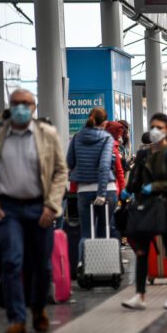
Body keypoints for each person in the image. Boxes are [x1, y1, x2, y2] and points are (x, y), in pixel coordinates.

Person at [0, 89, 68, 333]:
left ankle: (37, 309)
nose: (21, 108)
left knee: (42, 266)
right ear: (9, 106)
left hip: (39, 207)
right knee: (11, 262)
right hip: (8, 208)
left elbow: (60, 171)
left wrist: (52, 205)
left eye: (26, 104)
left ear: (34, 107)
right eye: (16, 104)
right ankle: (16, 318)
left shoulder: (47, 135)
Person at [121, 113, 167, 310]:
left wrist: (155, 187)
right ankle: (140, 295)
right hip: (146, 208)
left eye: (160, 127)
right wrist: (128, 190)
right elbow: (136, 180)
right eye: (153, 126)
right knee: (141, 252)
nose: (155, 130)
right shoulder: (143, 154)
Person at [67, 107, 118, 266]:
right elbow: (104, 166)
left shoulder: (76, 137)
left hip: (84, 190)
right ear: (105, 123)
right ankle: (104, 266)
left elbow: (69, 162)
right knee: (105, 228)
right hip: (106, 190)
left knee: (86, 232)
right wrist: (101, 193)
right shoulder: (106, 138)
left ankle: (84, 265)